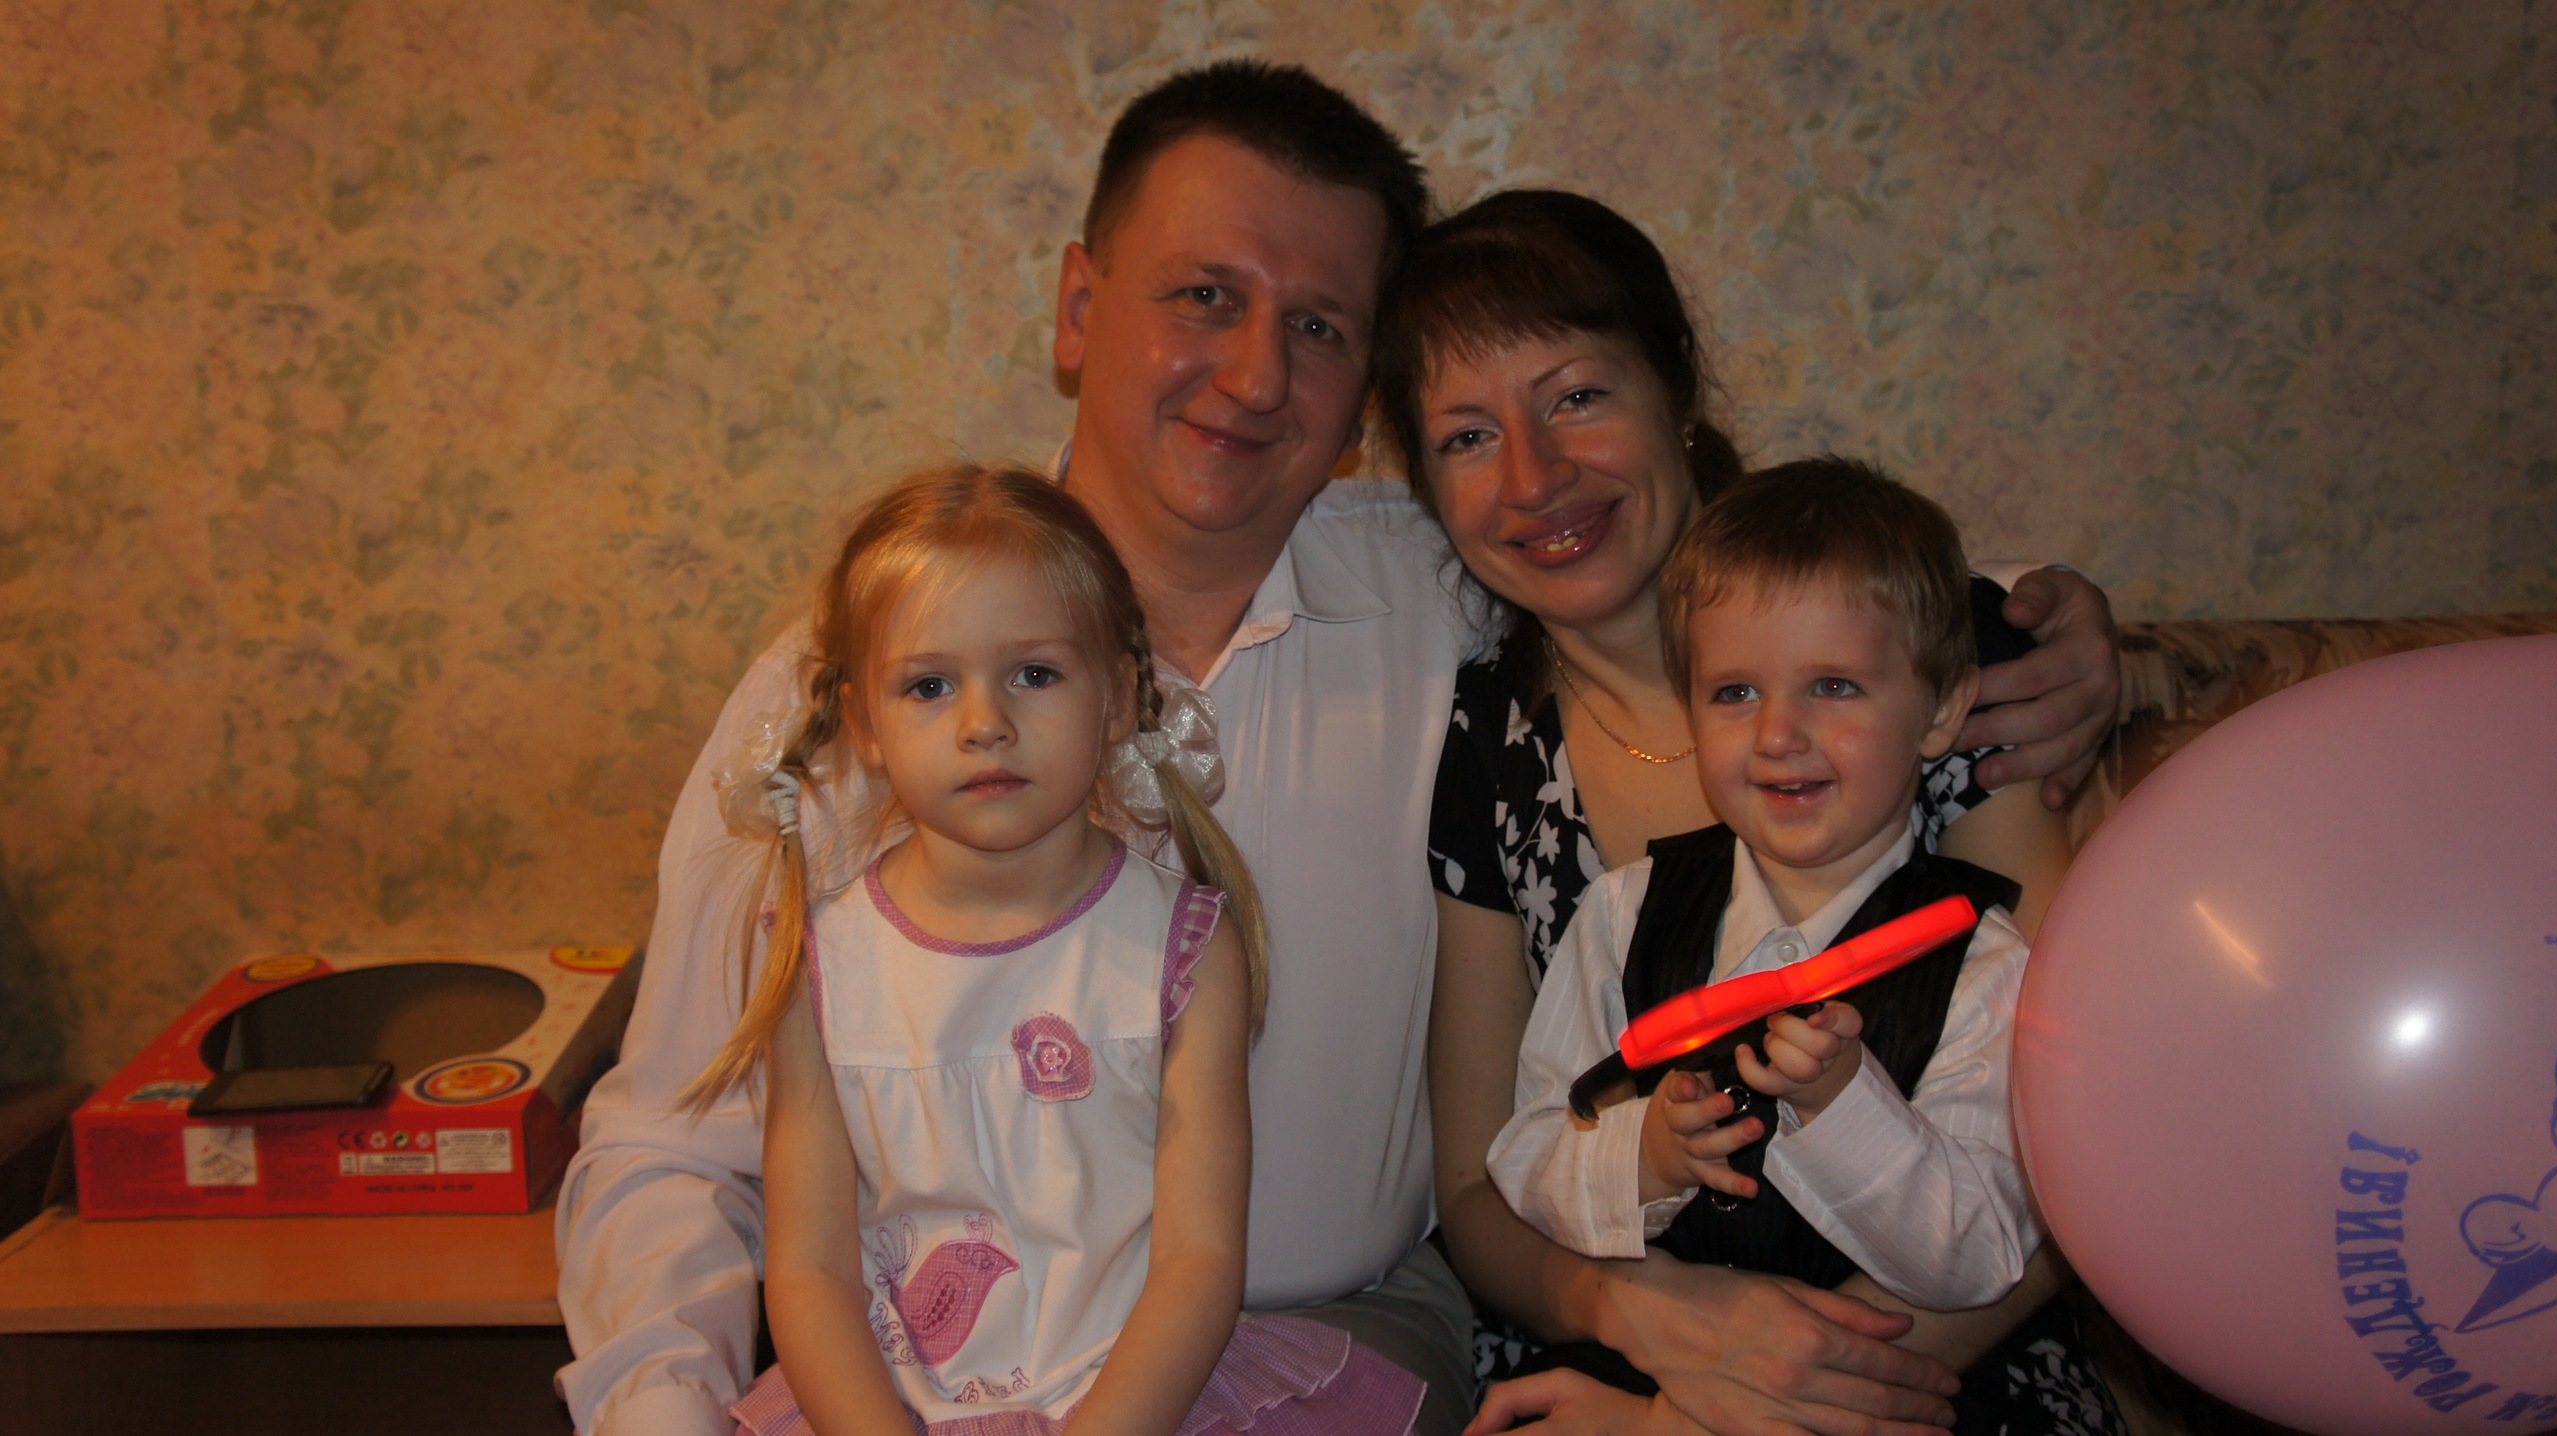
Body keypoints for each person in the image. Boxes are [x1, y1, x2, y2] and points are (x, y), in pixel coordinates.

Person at [556, 63, 2124, 1436]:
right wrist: (663, 1410)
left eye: (1317, 327)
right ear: (1079, 307)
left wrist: (2056, 624)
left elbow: (1753, 591)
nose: (1256, 376)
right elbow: (673, 1136)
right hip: (934, 1363)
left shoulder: (1435, 594)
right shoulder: (862, 683)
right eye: (1203, 296)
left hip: (1336, 1339)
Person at [1374, 190, 2121, 1434]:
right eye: (1464, 436)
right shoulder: (1483, 749)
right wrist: (1649, 1323)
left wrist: (1753, 1409)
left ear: (1677, 387)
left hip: (1935, 1352)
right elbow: (1479, 1183)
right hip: (1616, 1340)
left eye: (1576, 395)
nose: (1533, 476)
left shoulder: (1941, 650)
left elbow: (2085, 1127)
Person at [695, 464, 1423, 1435]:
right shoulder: (820, 962)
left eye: (1034, 674)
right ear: (864, 724)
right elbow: (809, 1268)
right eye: (929, 685)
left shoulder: (1182, 950)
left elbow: (1200, 1259)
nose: (985, 723)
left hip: (1141, 1402)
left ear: (1116, 697)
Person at [1477, 459, 2059, 1435]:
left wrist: (1843, 1107)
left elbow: (1981, 1254)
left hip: (1885, 1396)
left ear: (1940, 710)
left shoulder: (1986, 967)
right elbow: (1527, 1156)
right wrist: (1644, 1157)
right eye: (1736, 691)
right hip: (1647, 1368)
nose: (1780, 733)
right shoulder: (1625, 914)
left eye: (1833, 685)